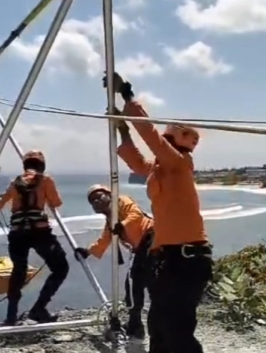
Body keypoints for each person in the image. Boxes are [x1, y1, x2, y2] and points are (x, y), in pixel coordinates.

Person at [106, 73, 213, 353]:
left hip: (188, 260)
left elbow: (151, 138)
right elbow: (139, 162)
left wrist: (126, 94)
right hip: (170, 259)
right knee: (158, 326)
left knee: (177, 331)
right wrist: (123, 130)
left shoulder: (179, 163)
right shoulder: (160, 169)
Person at [0, 150, 68, 325]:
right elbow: (56, 203)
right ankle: (38, 309)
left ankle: (11, 317)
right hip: (39, 233)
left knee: (18, 272)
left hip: (17, 233)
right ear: (41, 165)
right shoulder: (45, 180)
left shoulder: (15, 182)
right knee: (60, 268)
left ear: (25, 166)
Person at [74, 184, 154, 339]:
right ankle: (136, 324)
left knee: (136, 284)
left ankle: (140, 325)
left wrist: (121, 225)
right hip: (142, 248)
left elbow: (135, 214)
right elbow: (104, 239)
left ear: (109, 195)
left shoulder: (122, 201)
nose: (96, 201)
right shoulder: (111, 220)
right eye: (92, 201)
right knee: (134, 285)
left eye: (99, 196)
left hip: (152, 240)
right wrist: (88, 252)